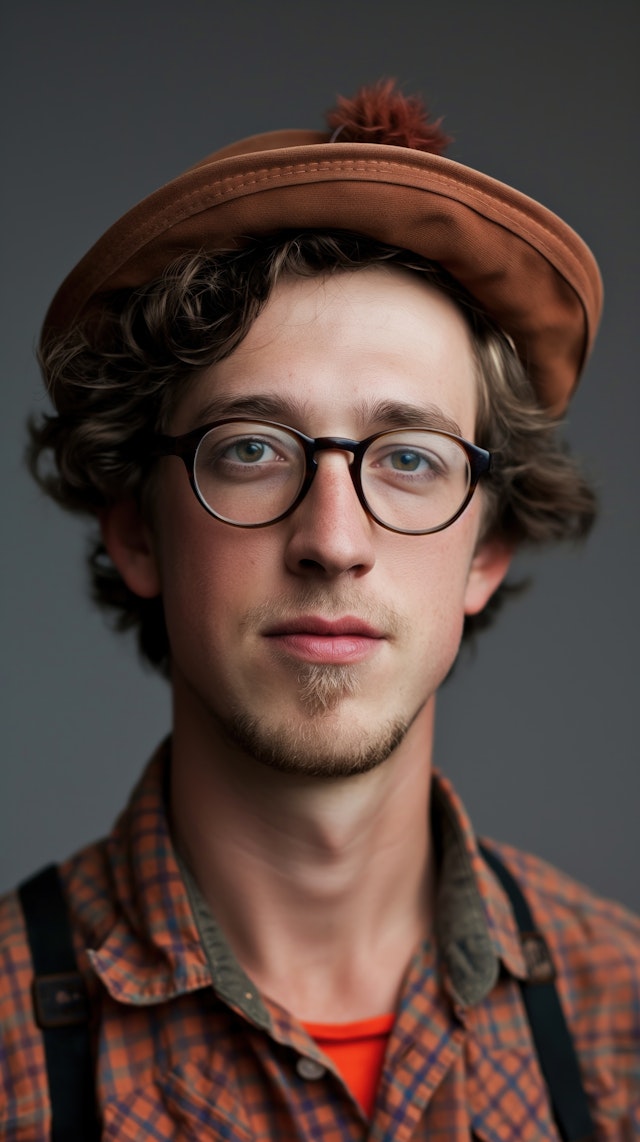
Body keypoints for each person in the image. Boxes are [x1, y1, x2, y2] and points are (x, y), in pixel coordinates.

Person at [1, 80, 638, 1140]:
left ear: (486, 546)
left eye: (410, 458)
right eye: (250, 448)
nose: (334, 540)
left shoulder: (620, 1016)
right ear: (138, 529)